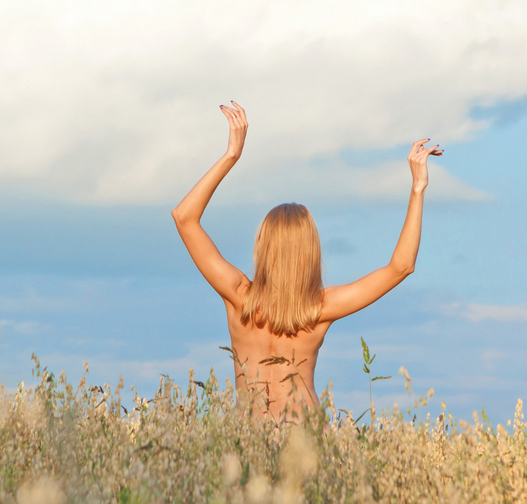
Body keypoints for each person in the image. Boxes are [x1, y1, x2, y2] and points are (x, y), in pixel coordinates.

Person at [171, 101, 441, 426]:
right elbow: (401, 267)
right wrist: (417, 188)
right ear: (311, 253)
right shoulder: (320, 309)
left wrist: (232, 155)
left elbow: (184, 218)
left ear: (262, 246)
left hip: (248, 440)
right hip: (305, 442)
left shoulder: (238, 296)